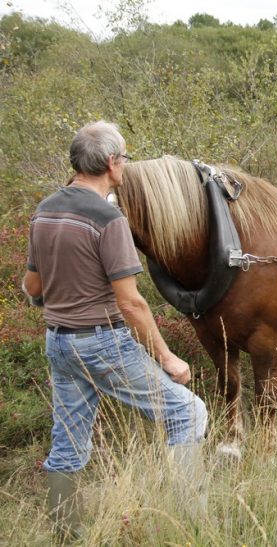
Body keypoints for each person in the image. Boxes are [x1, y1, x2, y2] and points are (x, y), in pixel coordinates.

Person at [22, 121, 208, 540]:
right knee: (187, 412)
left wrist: (58, 300)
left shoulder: (45, 209)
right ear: (110, 162)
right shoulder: (108, 219)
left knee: (69, 445)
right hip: (102, 342)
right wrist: (167, 357)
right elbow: (131, 303)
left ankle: (66, 536)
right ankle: (191, 525)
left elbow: (33, 287)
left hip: (58, 342)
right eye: (123, 157)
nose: (124, 164)